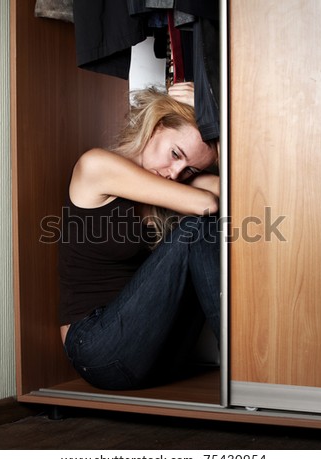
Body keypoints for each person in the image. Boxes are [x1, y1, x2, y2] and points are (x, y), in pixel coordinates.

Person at [59, 82, 221, 390]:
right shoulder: (96, 165)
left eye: (189, 169)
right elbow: (207, 203)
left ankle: (250, 365)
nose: (175, 172)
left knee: (214, 226)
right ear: (157, 126)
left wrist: (221, 128)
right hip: (97, 349)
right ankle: (245, 363)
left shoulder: (173, 181)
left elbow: (239, 188)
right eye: (176, 154)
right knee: (198, 227)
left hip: (160, 353)